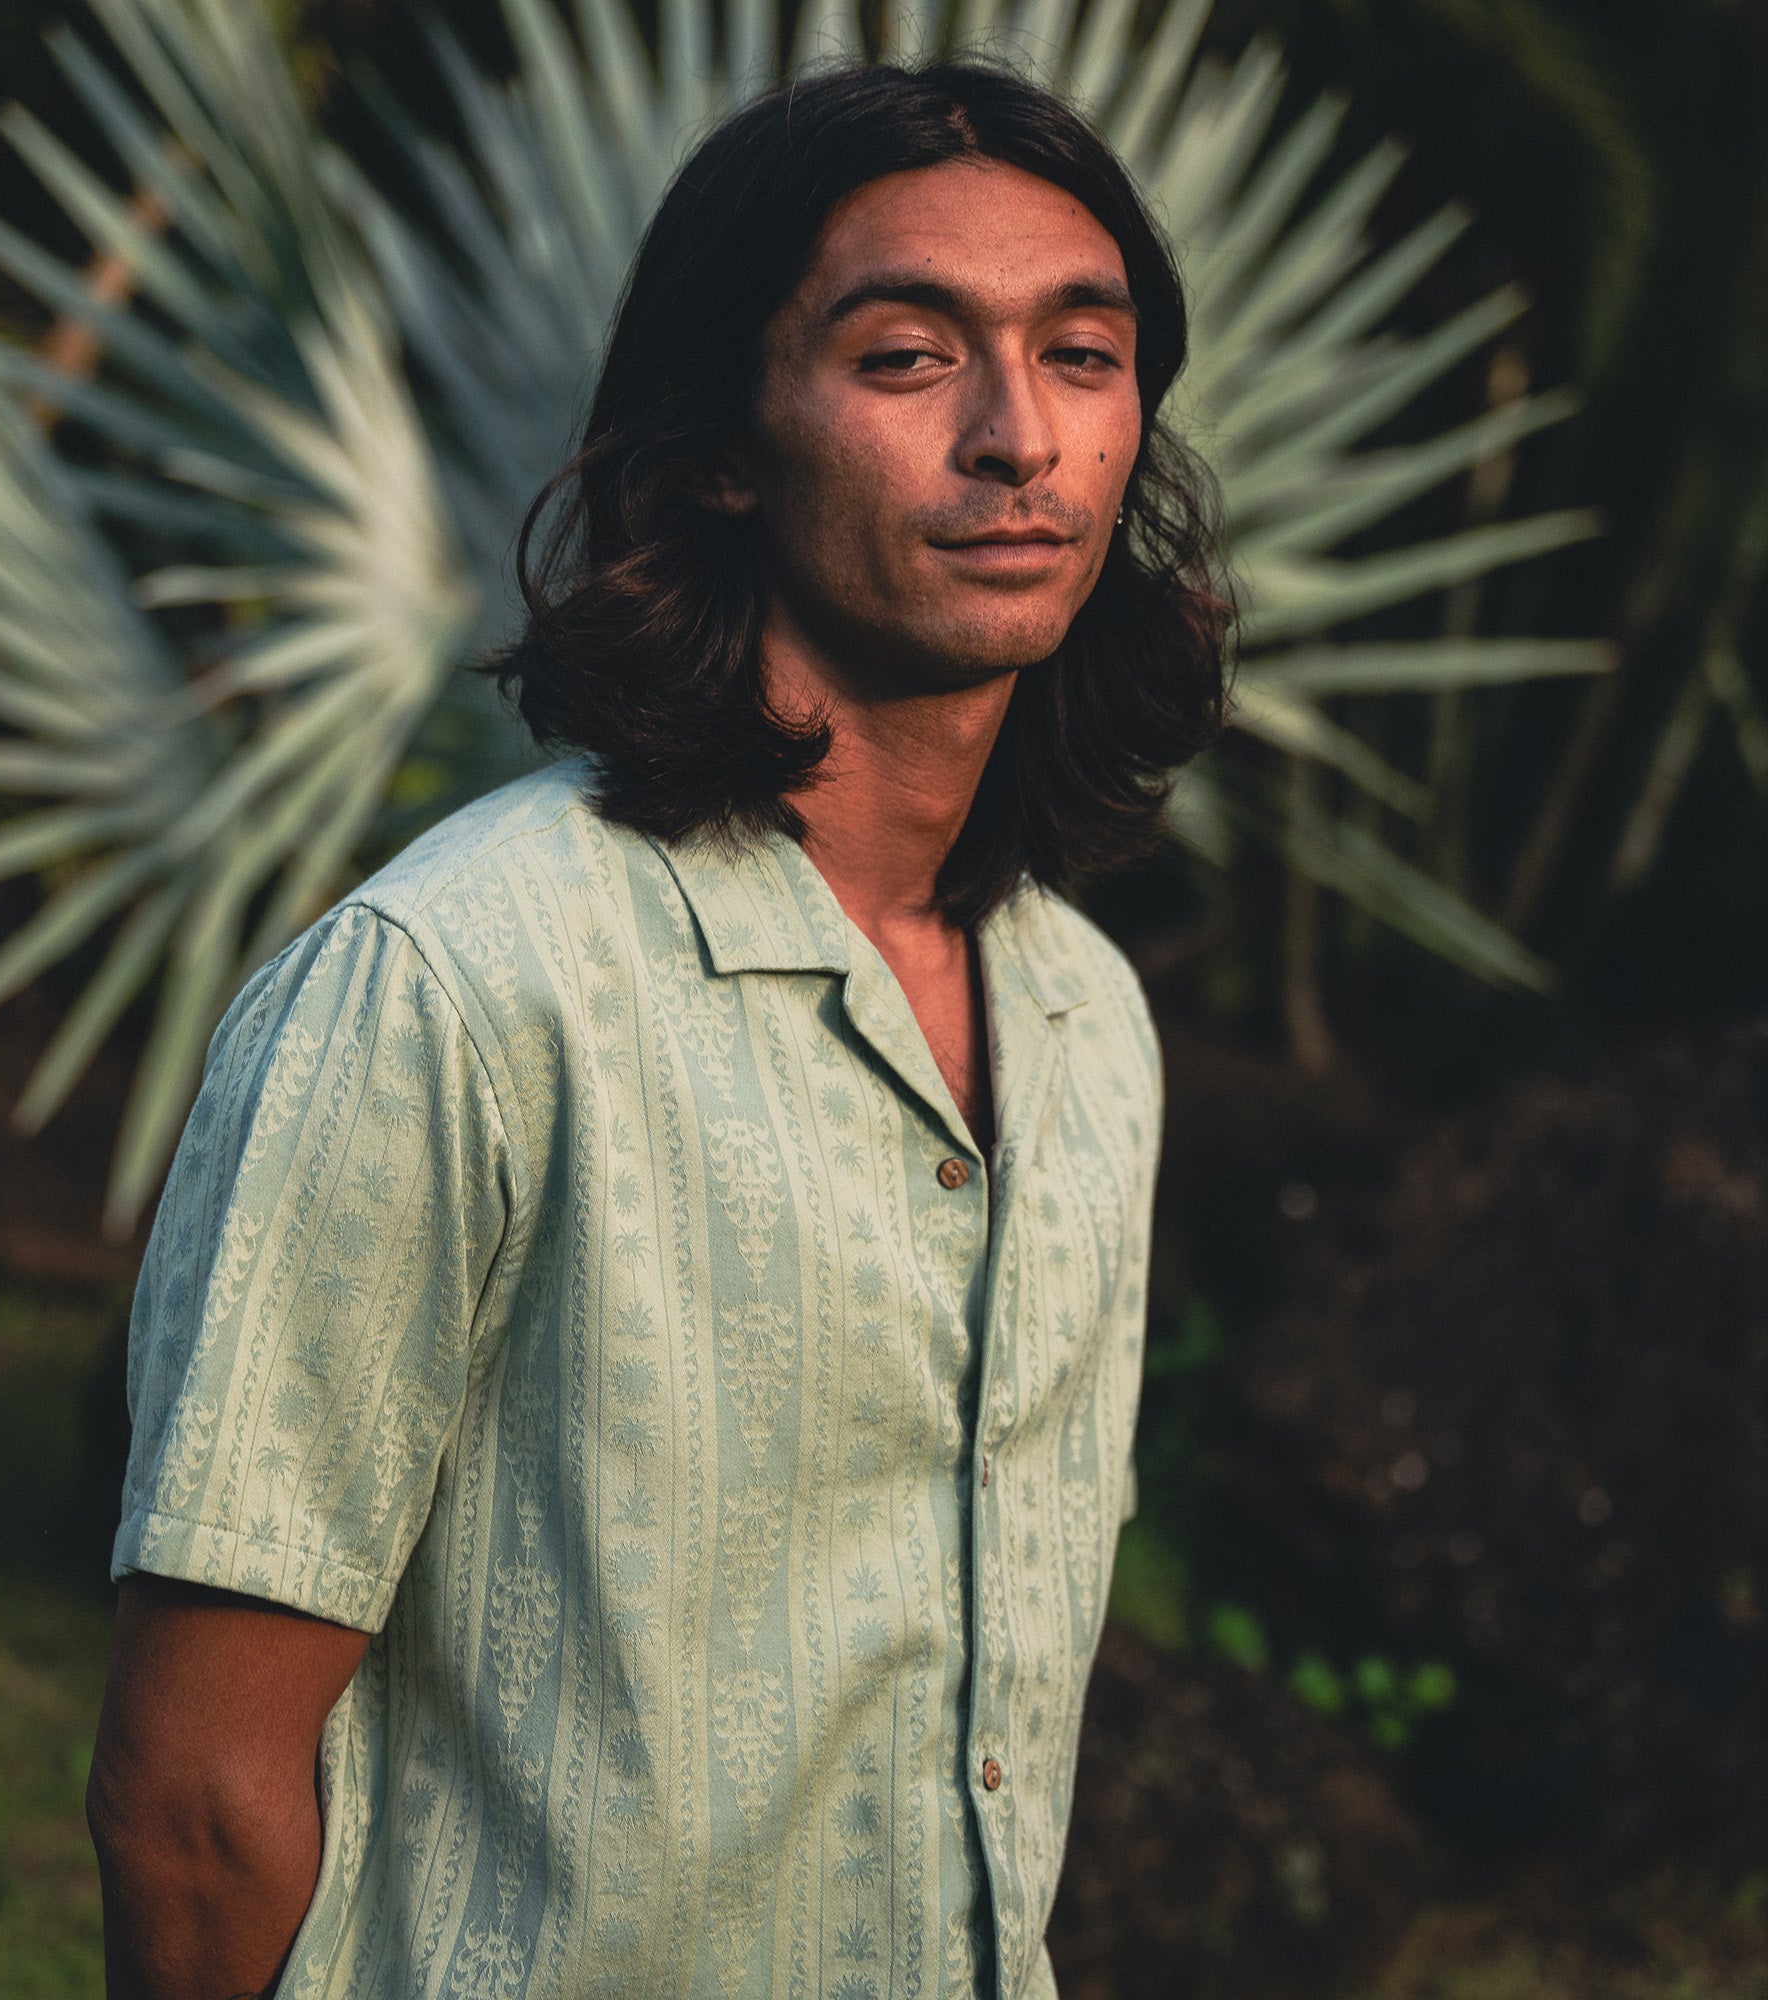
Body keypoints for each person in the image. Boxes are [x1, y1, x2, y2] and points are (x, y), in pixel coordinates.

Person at [85, 57, 1229, 2000]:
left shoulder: (1085, 1018)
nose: (1018, 435)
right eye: (904, 358)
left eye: (1085, 353)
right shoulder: (453, 984)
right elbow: (192, 1801)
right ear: (718, 446)